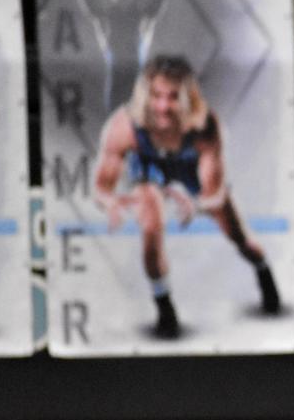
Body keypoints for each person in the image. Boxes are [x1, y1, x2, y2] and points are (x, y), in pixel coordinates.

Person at [92, 54, 281, 339]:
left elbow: (213, 193)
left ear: (187, 97)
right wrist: (111, 202)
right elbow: (101, 187)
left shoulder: (204, 127)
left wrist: (192, 201)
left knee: (239, 237)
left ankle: (262, 270)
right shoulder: (124, 126)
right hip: (150, 168)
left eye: (172, 97)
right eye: (156, 96)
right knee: (151, 226)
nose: (163, 106)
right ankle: (164, 306)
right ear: (145, 95)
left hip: (190, 168)